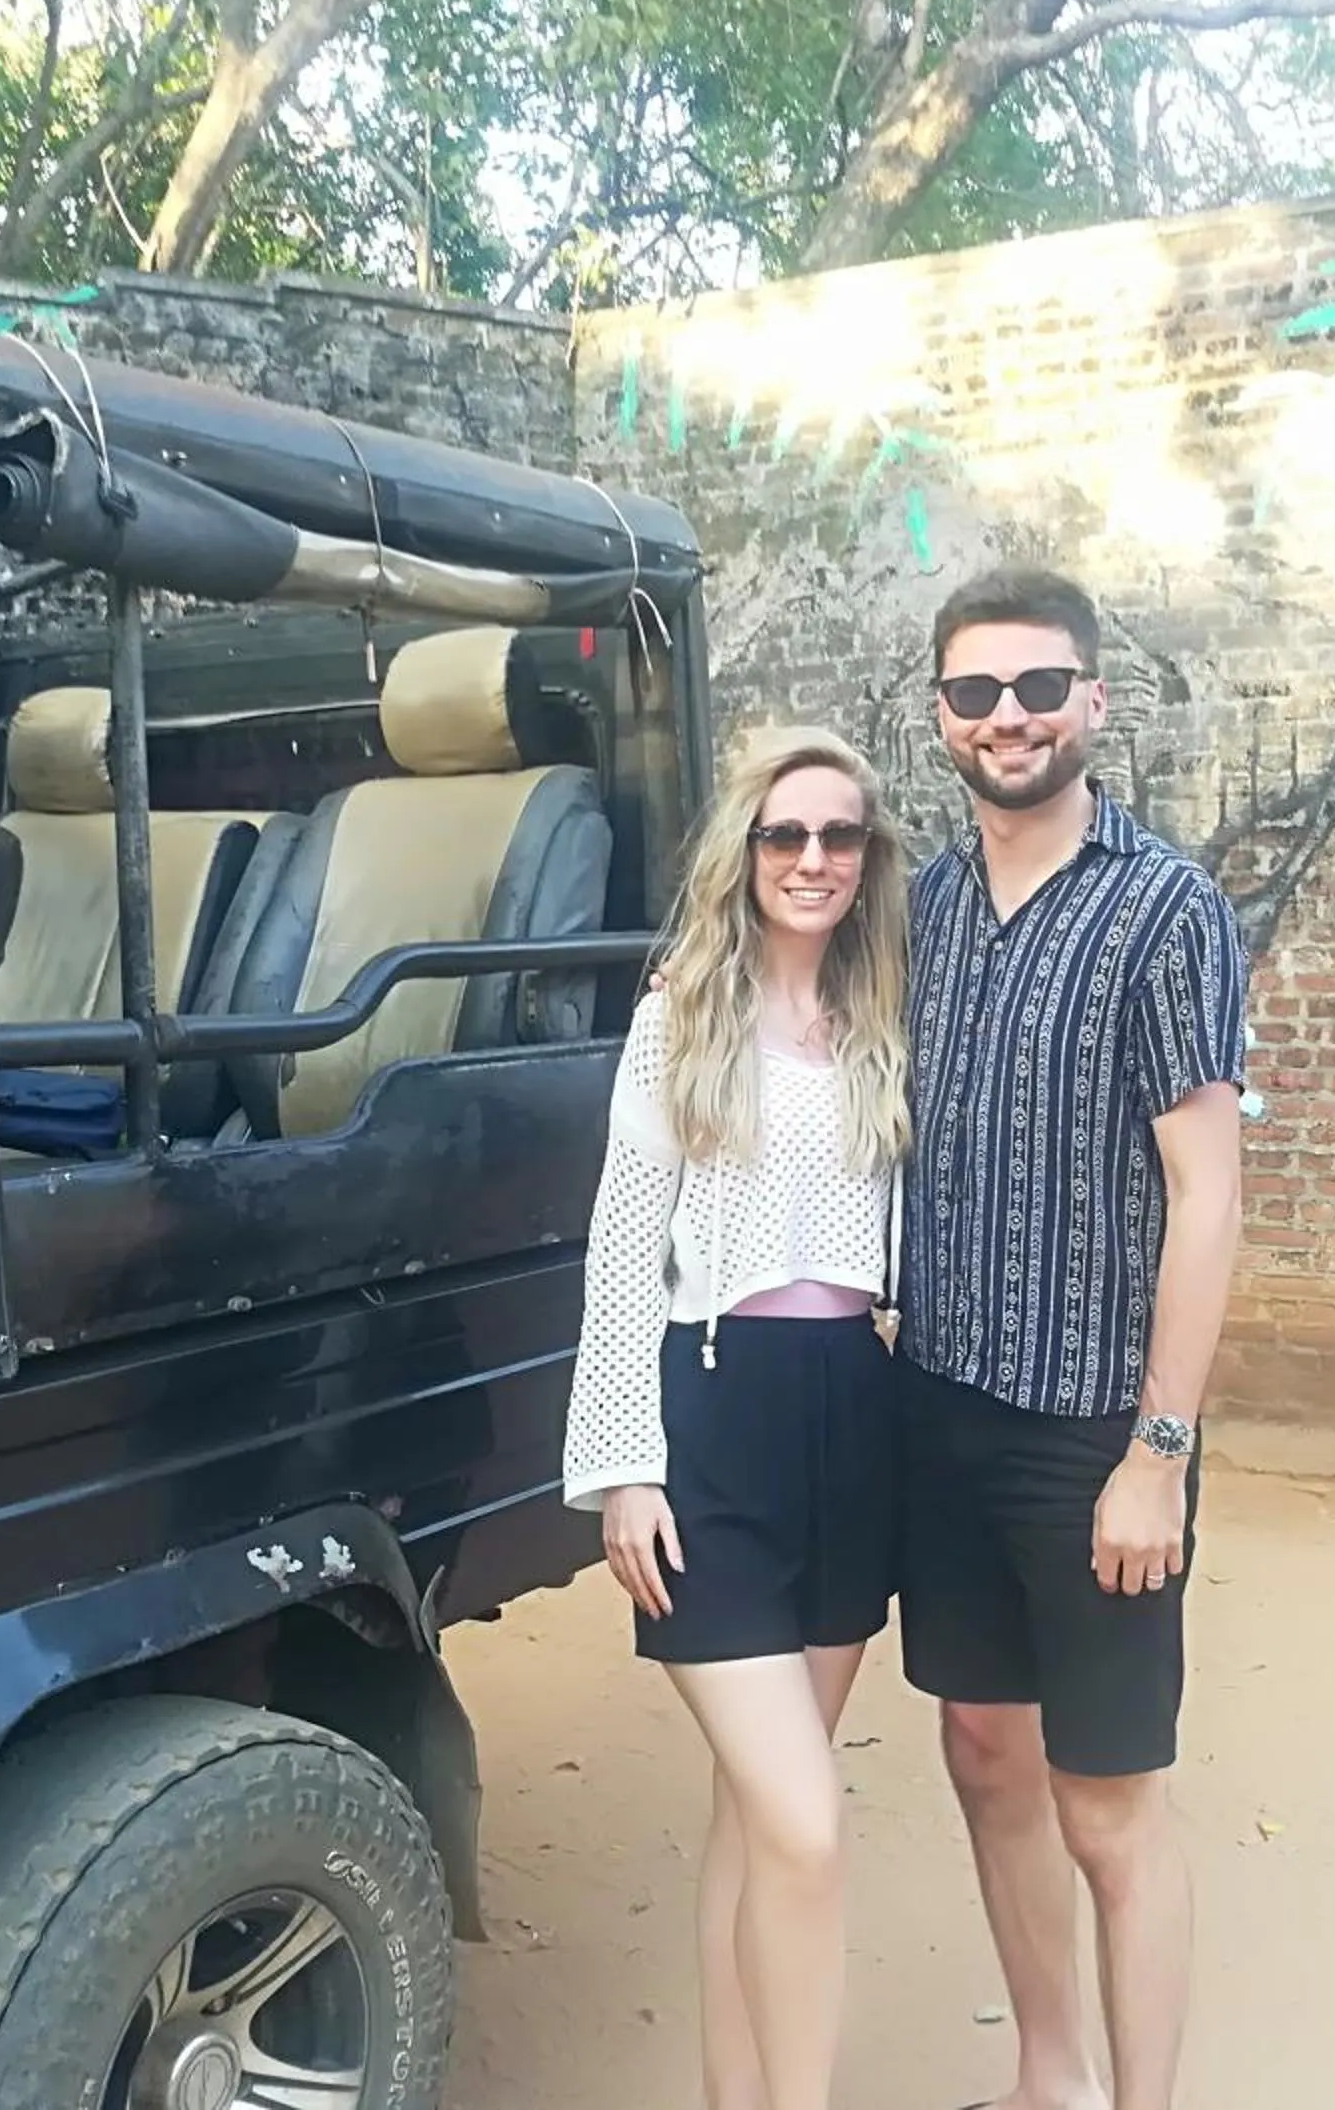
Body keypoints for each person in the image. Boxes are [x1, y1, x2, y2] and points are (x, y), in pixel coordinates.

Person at [895, 566, 1249, 2110]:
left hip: (1096, 1429)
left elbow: (1207, 1192)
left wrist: (1158, 1452)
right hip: (942, 1405)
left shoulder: (1166, 908)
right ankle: (1053, 2078)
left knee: (1108, 1805)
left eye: (1040, 687)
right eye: (976, 692)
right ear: (941, 717)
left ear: (1092, 701)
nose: (1010, 717)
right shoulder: (923, 908)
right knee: (984, 1746)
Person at [561, 726, 915, 2110]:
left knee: (758, 1814)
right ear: (747, 853)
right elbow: (619, 1251)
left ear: (867, 857)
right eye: (786, 835)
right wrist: (623, 1469)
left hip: (853, 1417)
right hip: (712, 1416)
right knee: (807, 1825)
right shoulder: (680, 1019)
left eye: (840, 835)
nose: (814, 858)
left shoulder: (887, 1018)